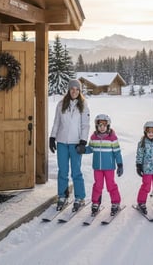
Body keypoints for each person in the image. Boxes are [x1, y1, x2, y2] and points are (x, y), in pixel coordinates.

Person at [49, 79, 90, 211]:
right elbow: (56, 122)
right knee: (62, 171)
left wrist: (83, 141)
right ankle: (62, 196)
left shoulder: (83, 105)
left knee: (76, 172)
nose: (74, 91)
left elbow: (85, 125)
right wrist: (52, 137)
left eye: (77, 89)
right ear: (68, 90)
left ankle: (80, 197)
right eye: (72, 89)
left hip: (76, 143)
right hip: (62, 142)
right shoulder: (61, 104)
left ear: (80, 91)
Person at [81, 114, 123, 216]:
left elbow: (117, 152)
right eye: (100, 125)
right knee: (97, 186)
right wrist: (83, 149)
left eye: (104, 125)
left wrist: (120, 164)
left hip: (109, 168)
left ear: (108, 126)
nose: (102, 127)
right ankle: (95, 203)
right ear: (97, 126)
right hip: (97, 168)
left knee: (111, 185)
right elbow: (90, 148)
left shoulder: (112, 138)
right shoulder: (93, 137)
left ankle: (115, 203)